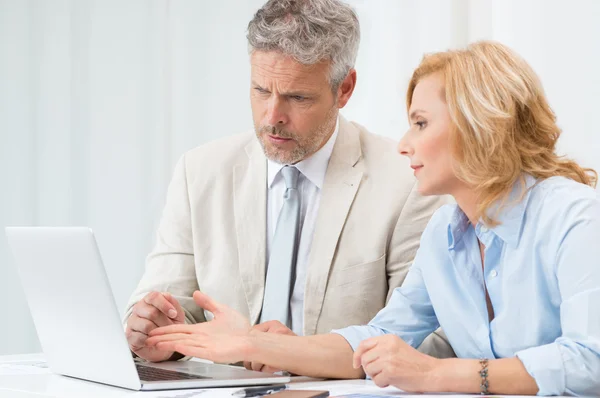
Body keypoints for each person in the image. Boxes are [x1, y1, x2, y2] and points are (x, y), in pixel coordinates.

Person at [145, 41, 600, 396]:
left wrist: (440, 374)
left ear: (480, 125)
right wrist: (253, 344)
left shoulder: (575, 219)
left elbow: (590, 361)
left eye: (421, 124)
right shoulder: (445, 233)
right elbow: (378, 338)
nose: (404, 144)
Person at [123, 0, 450, 364]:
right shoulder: (200, 171)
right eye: (261, 90)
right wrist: (150, 325)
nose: (273, 117)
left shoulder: (407, 182)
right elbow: (167, 301)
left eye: (297, 97)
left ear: (344, 89)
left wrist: (298, 354)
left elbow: (432, 339)